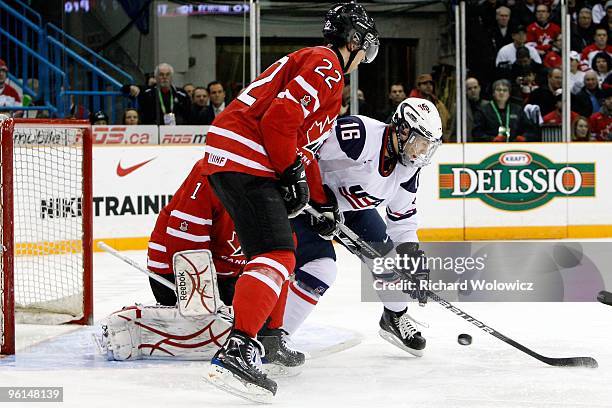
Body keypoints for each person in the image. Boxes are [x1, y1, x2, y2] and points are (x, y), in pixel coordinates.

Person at [203, 2, 379, 401]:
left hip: (239, 156)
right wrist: (288, 173)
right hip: (247, 157)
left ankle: (269, 338)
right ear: (353, 40)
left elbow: (303, 148)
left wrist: (323, 204)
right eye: (364, 44)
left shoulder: (327, 79)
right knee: (277, 255)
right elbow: (278, 121)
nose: (364, 55)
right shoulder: (326, 64)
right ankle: (239, 347)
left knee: (288, 249)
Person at [263, 98, 441, 361]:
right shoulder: (359, 135)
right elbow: (303, 150)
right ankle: (272, 339)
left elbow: (402, 220)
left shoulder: (409, 168)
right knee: (321, 269)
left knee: (387, 259)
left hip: (347, 210)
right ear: (402, 130)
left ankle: (395, 316)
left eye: (429, 146)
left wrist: (413, 261)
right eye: (419, 142)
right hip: (301, 202)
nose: (422, 152)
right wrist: (316, 199)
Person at [473, 79, 538, 142]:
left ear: (509, 94)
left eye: (505, 90)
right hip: (491, 148)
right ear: (493, 93)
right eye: (498, 90)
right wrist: (491, 139)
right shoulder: (483, 111)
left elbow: (530, 131)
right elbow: (477, 133)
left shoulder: (517, 110)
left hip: (515, 147)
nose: (501, 92)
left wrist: (524, 137)